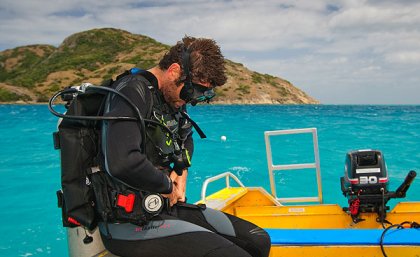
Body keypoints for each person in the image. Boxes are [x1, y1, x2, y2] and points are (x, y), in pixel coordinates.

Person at [97, 36, 271, 257]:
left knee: (258, 240)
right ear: (174, 70)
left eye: (201, 95)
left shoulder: (172, 101)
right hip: (127, 222)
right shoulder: (132, 91)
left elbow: (186, 137)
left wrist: (181, 169)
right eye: (193, 91)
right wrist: (167, 186)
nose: (192, 100)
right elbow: (122, 162)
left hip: (166, 207)